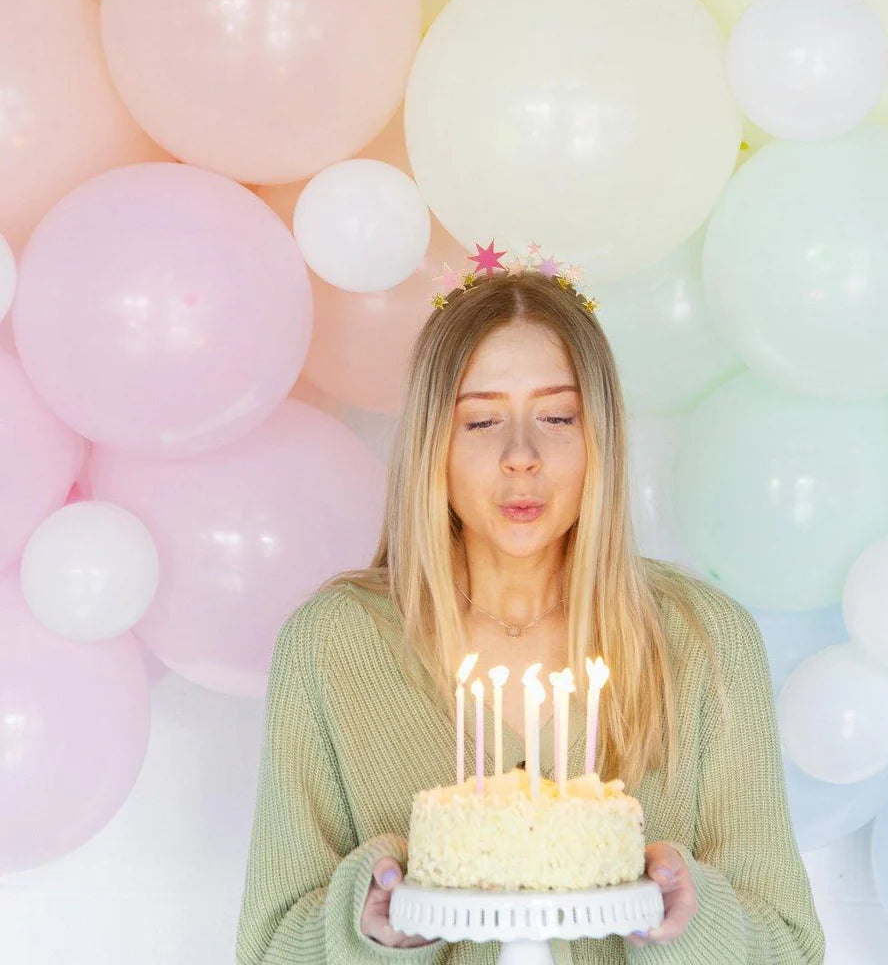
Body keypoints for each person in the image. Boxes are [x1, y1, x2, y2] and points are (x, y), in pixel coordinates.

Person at [235, 257, 826, 964]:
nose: (522, 455)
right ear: (434, 444)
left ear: (599, 436)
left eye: (556, 416)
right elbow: (269, 951)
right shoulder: (332, 646)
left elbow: (789, 949)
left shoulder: (705, 641)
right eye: (482, 421)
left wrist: (692, 916)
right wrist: (367, 926)